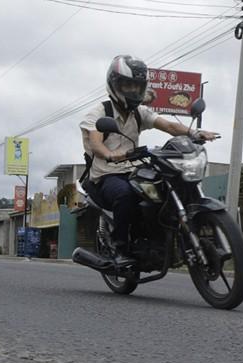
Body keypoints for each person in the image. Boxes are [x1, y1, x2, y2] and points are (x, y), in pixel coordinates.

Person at [80, 55, 220, 268]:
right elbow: (96, 143)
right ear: (115, 84)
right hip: (106, 174)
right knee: (125, 194)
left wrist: (196, 132)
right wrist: (109, 153)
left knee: (163, 187)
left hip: (133, 169)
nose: (132, 90)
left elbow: (169, 126)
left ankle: (158, 243)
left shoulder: (139, 112)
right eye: (127, 85)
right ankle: (119, 249)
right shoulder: (100, 112)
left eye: (137, 86)